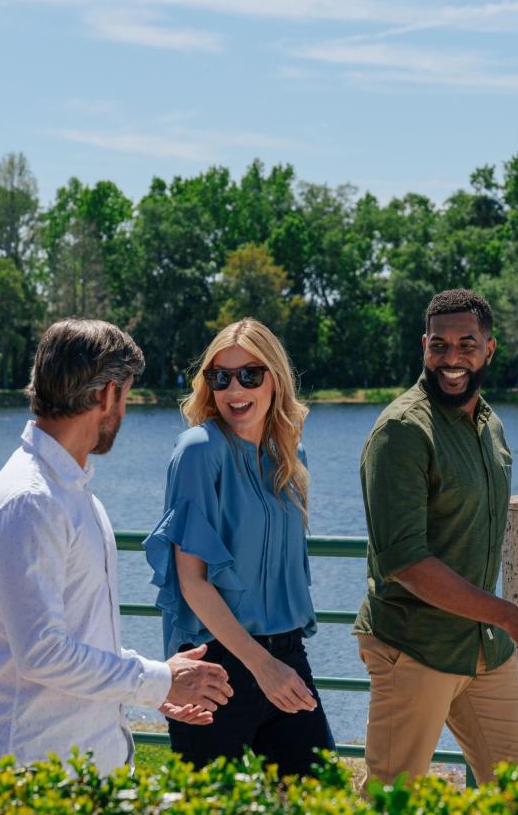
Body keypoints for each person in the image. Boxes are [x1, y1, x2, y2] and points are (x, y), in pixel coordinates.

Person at [0, 319, 233, 774]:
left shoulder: (69, 494)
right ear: (106, 395)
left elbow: (80, 641)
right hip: (30, 772)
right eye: (124, 395)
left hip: (73, 765)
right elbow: (43, 652)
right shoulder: (32, 500)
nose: (123, 411)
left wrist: (152, 689)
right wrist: (159, 680)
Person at [354, 289, 518, 794]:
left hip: (480, 645)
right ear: (423, 348)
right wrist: (512, 616)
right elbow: (406, 561)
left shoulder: (489, 424)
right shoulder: (402, 432)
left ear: (489, 350)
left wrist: (498, 622)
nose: (452, 359)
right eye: (439, 345)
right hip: (414, 644)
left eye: (466, 345)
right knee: (393, 798)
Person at [144, 318, 334, 776]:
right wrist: (260, 666)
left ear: (275, 379)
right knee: (212, 806)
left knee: (321, 799)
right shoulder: (197, 450)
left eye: (249, 374)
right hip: (217, 667)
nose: (235, 389)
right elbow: (192, 582)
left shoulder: (291, 458)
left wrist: (275, 665)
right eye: (220, 377)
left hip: (287, 656)